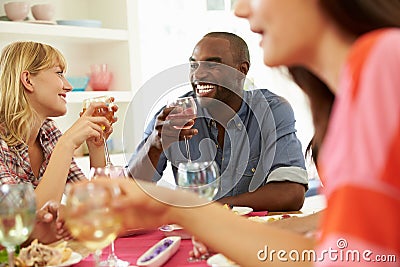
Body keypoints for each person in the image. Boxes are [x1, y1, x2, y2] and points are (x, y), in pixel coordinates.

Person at [76, 0, 400, 266]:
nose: (241, 9)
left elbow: (303, 206)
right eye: (194, 64)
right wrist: (161, 162)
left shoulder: (386, 62)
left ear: (241, 71)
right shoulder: (347, 93)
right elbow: (345, 253)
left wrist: (190, 211)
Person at [128, 32, 308, 211]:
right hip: (193, 237)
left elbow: (291, 192)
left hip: (255, 233)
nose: (198, 74)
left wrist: (212, 210)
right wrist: (155, 143)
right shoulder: (174, 117)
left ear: (241, 71)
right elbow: (127, 193)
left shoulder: (272, 110)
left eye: (212, 65)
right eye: (194, 65)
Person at [0, 42, 117, 211]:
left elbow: (95, 206)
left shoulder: (48, 132)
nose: (68, 86)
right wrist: (67, 143)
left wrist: (96, 144)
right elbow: (22, 221)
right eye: (59, 73)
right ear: (27, 80)